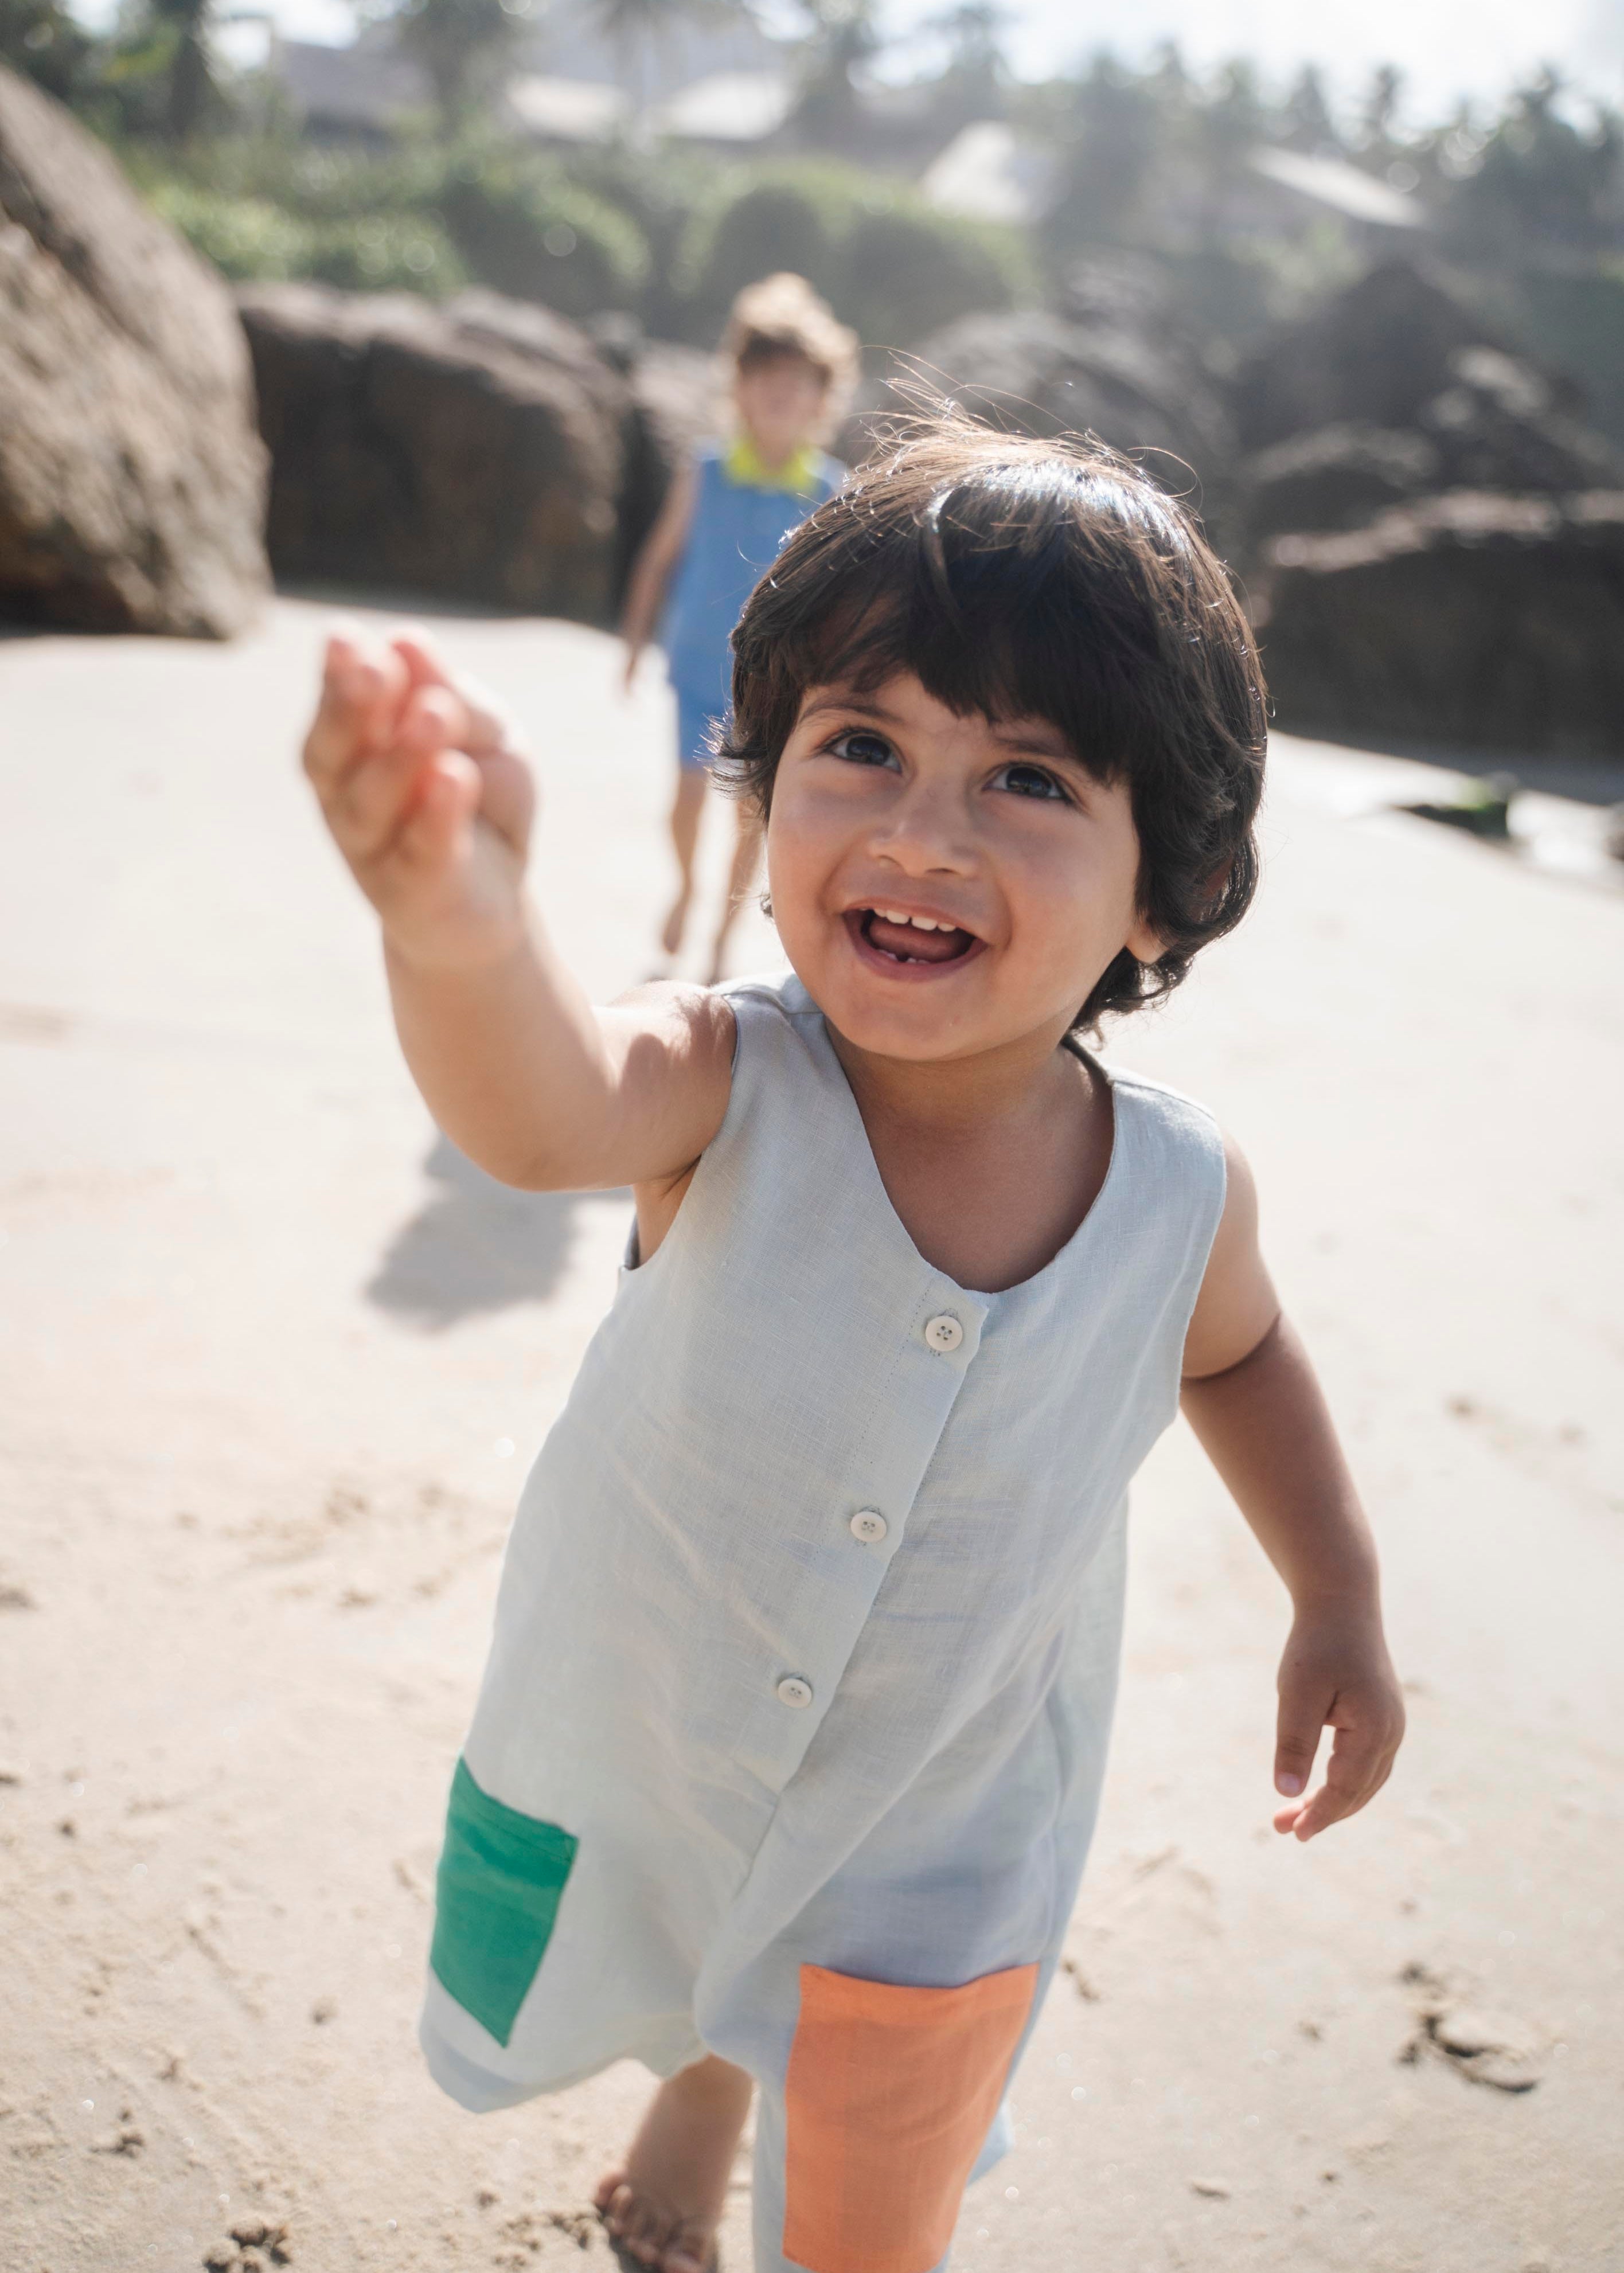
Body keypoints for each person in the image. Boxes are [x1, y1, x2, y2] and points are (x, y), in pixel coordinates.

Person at [299, 416, 1406, 2273]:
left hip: (941, 1825)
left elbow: (1240, 1357)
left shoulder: (1174, 1192)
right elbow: (541, 1109)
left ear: (1167, 890)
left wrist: (1338, 1590)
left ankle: (768, 2106)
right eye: (863, 744)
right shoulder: (727, 1075)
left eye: (1029, 779)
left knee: (870, 2197)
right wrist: (461, 926)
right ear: (763, 785)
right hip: (659, 1716)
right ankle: (711, 2074)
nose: (918, 829)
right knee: (665, 1954)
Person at [620, 272, 856, 982]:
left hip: (771, 685)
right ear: (740, 387)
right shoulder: (707, 470)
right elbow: (658, 560)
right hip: (694, 664)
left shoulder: (826, 490)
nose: (780, 395)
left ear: (823, 397)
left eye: (797, 383)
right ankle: (687, 887)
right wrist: (633, 641)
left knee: (751, 817)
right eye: (766, 379)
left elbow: (840, 603)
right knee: (686, 801)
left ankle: (722, 936)